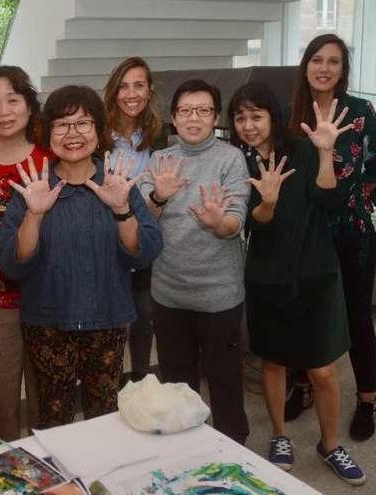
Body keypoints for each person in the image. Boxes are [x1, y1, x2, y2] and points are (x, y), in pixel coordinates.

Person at [0, 85, 163, 428]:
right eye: (62, 124)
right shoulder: (34, 186)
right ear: (48, 132)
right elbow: (12, 262)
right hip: (48, 322)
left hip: (108, 318)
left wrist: (120, 210)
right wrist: (35, 214)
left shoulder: (117, 183)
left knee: (104, 416)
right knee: (53, 416)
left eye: (83, 123)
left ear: (98, 130)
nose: (72, 133)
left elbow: (143, 252)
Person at [229, 82, 367, 485]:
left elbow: (328, 198)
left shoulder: (303, 147)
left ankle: (330, 444)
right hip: (267, 275)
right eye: (240, 118)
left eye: (256, 116)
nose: (248, 125)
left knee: (322, 369)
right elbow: (255, 223)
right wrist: (267, 202)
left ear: (272, 115)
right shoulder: (241, 162)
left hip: (315, 272)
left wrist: (325, 152)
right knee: (274, 360)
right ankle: (280, 436)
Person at [287, 34, 376, 441]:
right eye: (317, 59)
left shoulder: (360, 111)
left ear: (343, 70)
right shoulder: (291, 113)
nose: (324, 67)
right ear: (306, 65)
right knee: (304, 313)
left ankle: (367, 400)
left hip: (353, 236)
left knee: (358, 318)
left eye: (334, 61)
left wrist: (355, 208)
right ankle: (303, 385)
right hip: (305, 236)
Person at [139, 79, 251, 445]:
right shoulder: (159, 160)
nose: (194, 118)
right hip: (169, 294)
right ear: (173, 117)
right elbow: (143, 223)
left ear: (216, 117)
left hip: (219, 295)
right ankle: (187, 452)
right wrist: (158, 196)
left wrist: (220, 223)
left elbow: (237, 219)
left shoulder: (231, 158)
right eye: (186, 111)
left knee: (225, 380)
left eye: (203, 111)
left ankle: (234, 449)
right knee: (177, 383)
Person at [0, 65, 49, 440]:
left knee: (44, 395)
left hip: (46, 300)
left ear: (29, 107)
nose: (4, 111)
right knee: (3, 398)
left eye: (13, 100)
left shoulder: (50, 160)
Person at [103, 57, 164, 383]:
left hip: (144, 244)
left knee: (143, 320)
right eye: (123, 86)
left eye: (138, 85)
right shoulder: (98, 136)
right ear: (113, 92)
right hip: (106, 245)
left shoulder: (161, 137)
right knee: (110, 326)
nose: (131, 94)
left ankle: (141, 382)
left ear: (149, 90)